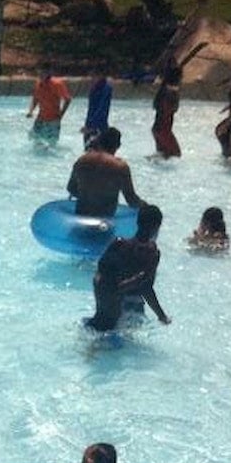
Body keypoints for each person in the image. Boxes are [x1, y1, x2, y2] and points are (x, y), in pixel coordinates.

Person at [86, 204, 170, 333]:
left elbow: (100, 274)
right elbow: (146, 288)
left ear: (137, 222)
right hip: (133, 306)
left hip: (111, 302)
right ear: (157, 227)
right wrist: (161, 315)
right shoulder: (152, 253)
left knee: (100, 335)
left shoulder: (118, 244)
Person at [67, 127, 144, 218]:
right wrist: (148, 208)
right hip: (105, 220)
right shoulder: (120, 167)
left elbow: (71, 188)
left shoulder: (82, 160)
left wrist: (89, 194)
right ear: (118, 145)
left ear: (99, 141)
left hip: (80, 216)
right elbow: (131, 200)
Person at [26, 63, 72, 141]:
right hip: (40, 119)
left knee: (51, 145)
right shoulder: (39, 83)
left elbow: (68, 99)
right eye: (39, 72)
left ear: (48, 73)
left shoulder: (57, 84)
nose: (40, 74)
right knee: (33, 140)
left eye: (43, 72)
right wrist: (31, 111)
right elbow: (35, 99)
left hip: (53, 121)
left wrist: (61, 115)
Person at [81, 70, 113, 147]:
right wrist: (87, 124)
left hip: (99, 126)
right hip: (90, 124)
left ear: (101, 76)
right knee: (88, 148)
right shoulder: (93, 88)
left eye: (94, 76)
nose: (92, 79)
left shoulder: (106, 88)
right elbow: (90, 109)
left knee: (98, 149)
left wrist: (92, 126)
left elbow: (101, 108)